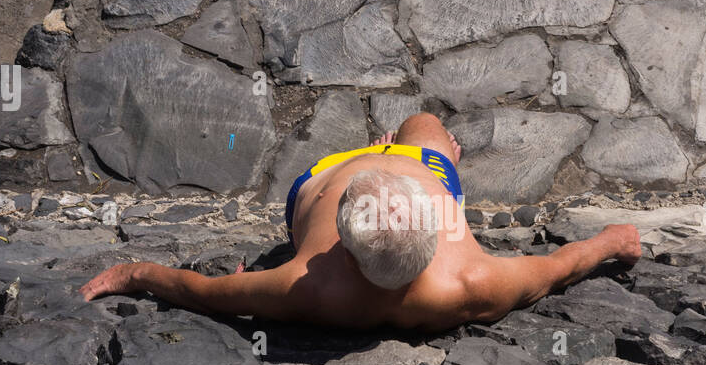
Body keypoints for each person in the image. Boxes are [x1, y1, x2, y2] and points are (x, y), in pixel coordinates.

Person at [80, 112, 642, 331]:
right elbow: (559, 266)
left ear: (344, 251)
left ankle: (383, 149)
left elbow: (203, 291)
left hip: (332, 171)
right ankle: (417, 150)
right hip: (418, 171)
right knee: (424, 122)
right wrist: (613, 240)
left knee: (411, 127)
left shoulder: (306, 286)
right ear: (439, 225)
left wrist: (135, 272)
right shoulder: (477, 284)